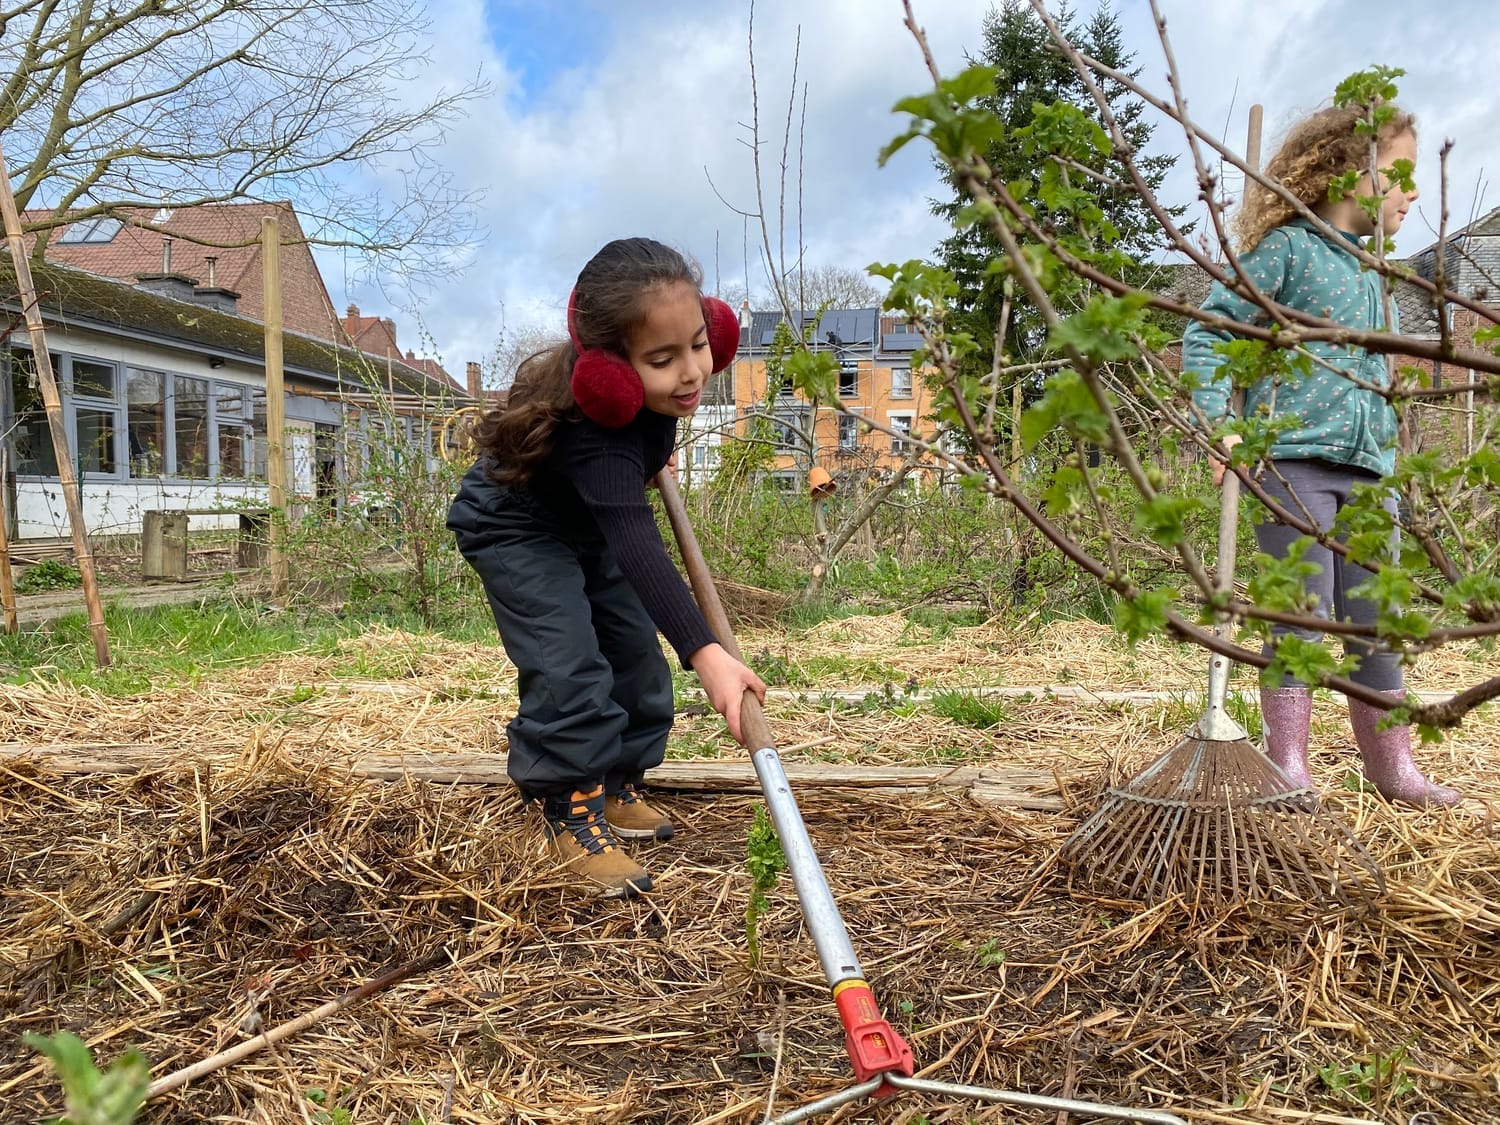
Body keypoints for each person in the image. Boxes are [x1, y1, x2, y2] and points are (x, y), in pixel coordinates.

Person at [448, 237, 767, 897]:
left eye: (699, 345)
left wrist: (650, 461)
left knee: (635, 658)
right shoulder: (598, 429)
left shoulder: (655, 400)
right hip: (517, 527)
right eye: (662, 359)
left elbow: (624, 486)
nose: (691, 373)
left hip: (586, 522)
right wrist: (707, 654)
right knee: (570, 664)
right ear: (611, 374)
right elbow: (637, 543)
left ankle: (616, 778)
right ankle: (569, 803)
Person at [1183, 103, 1459, 807]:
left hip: (1371, 476)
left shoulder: (1375, 273)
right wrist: (1223, 423)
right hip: (1292, 466)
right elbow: (1209, 337)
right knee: (1301, 614)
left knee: (1375, 620)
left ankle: (1392, 770)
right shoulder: (1287, 252)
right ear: (1348, 169)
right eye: (1401, 173)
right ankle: (1290, 765)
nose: (1414, 192)